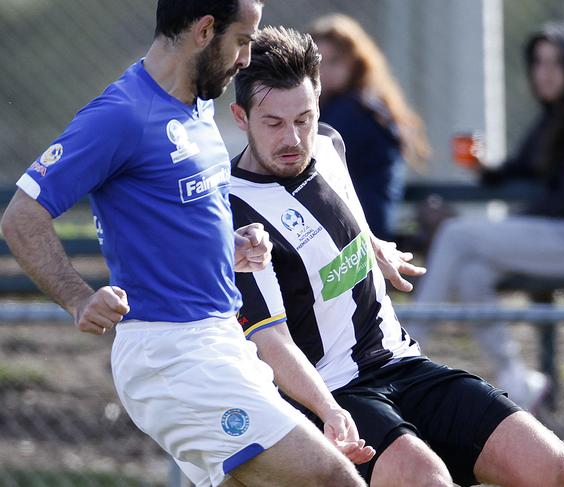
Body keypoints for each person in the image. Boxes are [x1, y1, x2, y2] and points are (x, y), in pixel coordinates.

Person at [0, 2, 372, 486]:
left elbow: (175, 218)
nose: (245, 59)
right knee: (332, 478)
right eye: (242, 41)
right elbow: (22, 216)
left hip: (220, 342)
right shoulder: (122, 115)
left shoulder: (196, 110)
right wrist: (77, 297)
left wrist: (229, 245)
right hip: (172, 353)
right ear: (204, 31)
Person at [228, 25, 564, 487]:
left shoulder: (330, 144)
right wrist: (328, 411)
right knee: (428, 482)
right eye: (273, 123)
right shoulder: (234, 212)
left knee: (554, 468)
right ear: (241, 117)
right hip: (332, 390)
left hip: (402, 362)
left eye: (304, 118)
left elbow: (338, 207)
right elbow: (269, 341)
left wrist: (372, 245)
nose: (293, 137)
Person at [413, 21, 564, 410]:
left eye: (556, 63)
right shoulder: (556, 116)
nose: (544, 72)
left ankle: (407, 347)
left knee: (455, 234)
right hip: (560, 235)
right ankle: (519, 383)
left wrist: (488, 227)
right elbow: (520, 168)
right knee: (471, 273)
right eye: (538, 62)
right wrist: (485, 169)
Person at [308, 14, 430, 241]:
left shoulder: (353, 110)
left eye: (334, 61)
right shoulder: (364, 104)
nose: (323, 71)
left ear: (356, 62)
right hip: (359, 226)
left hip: (356, 232)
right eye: (318, 63)